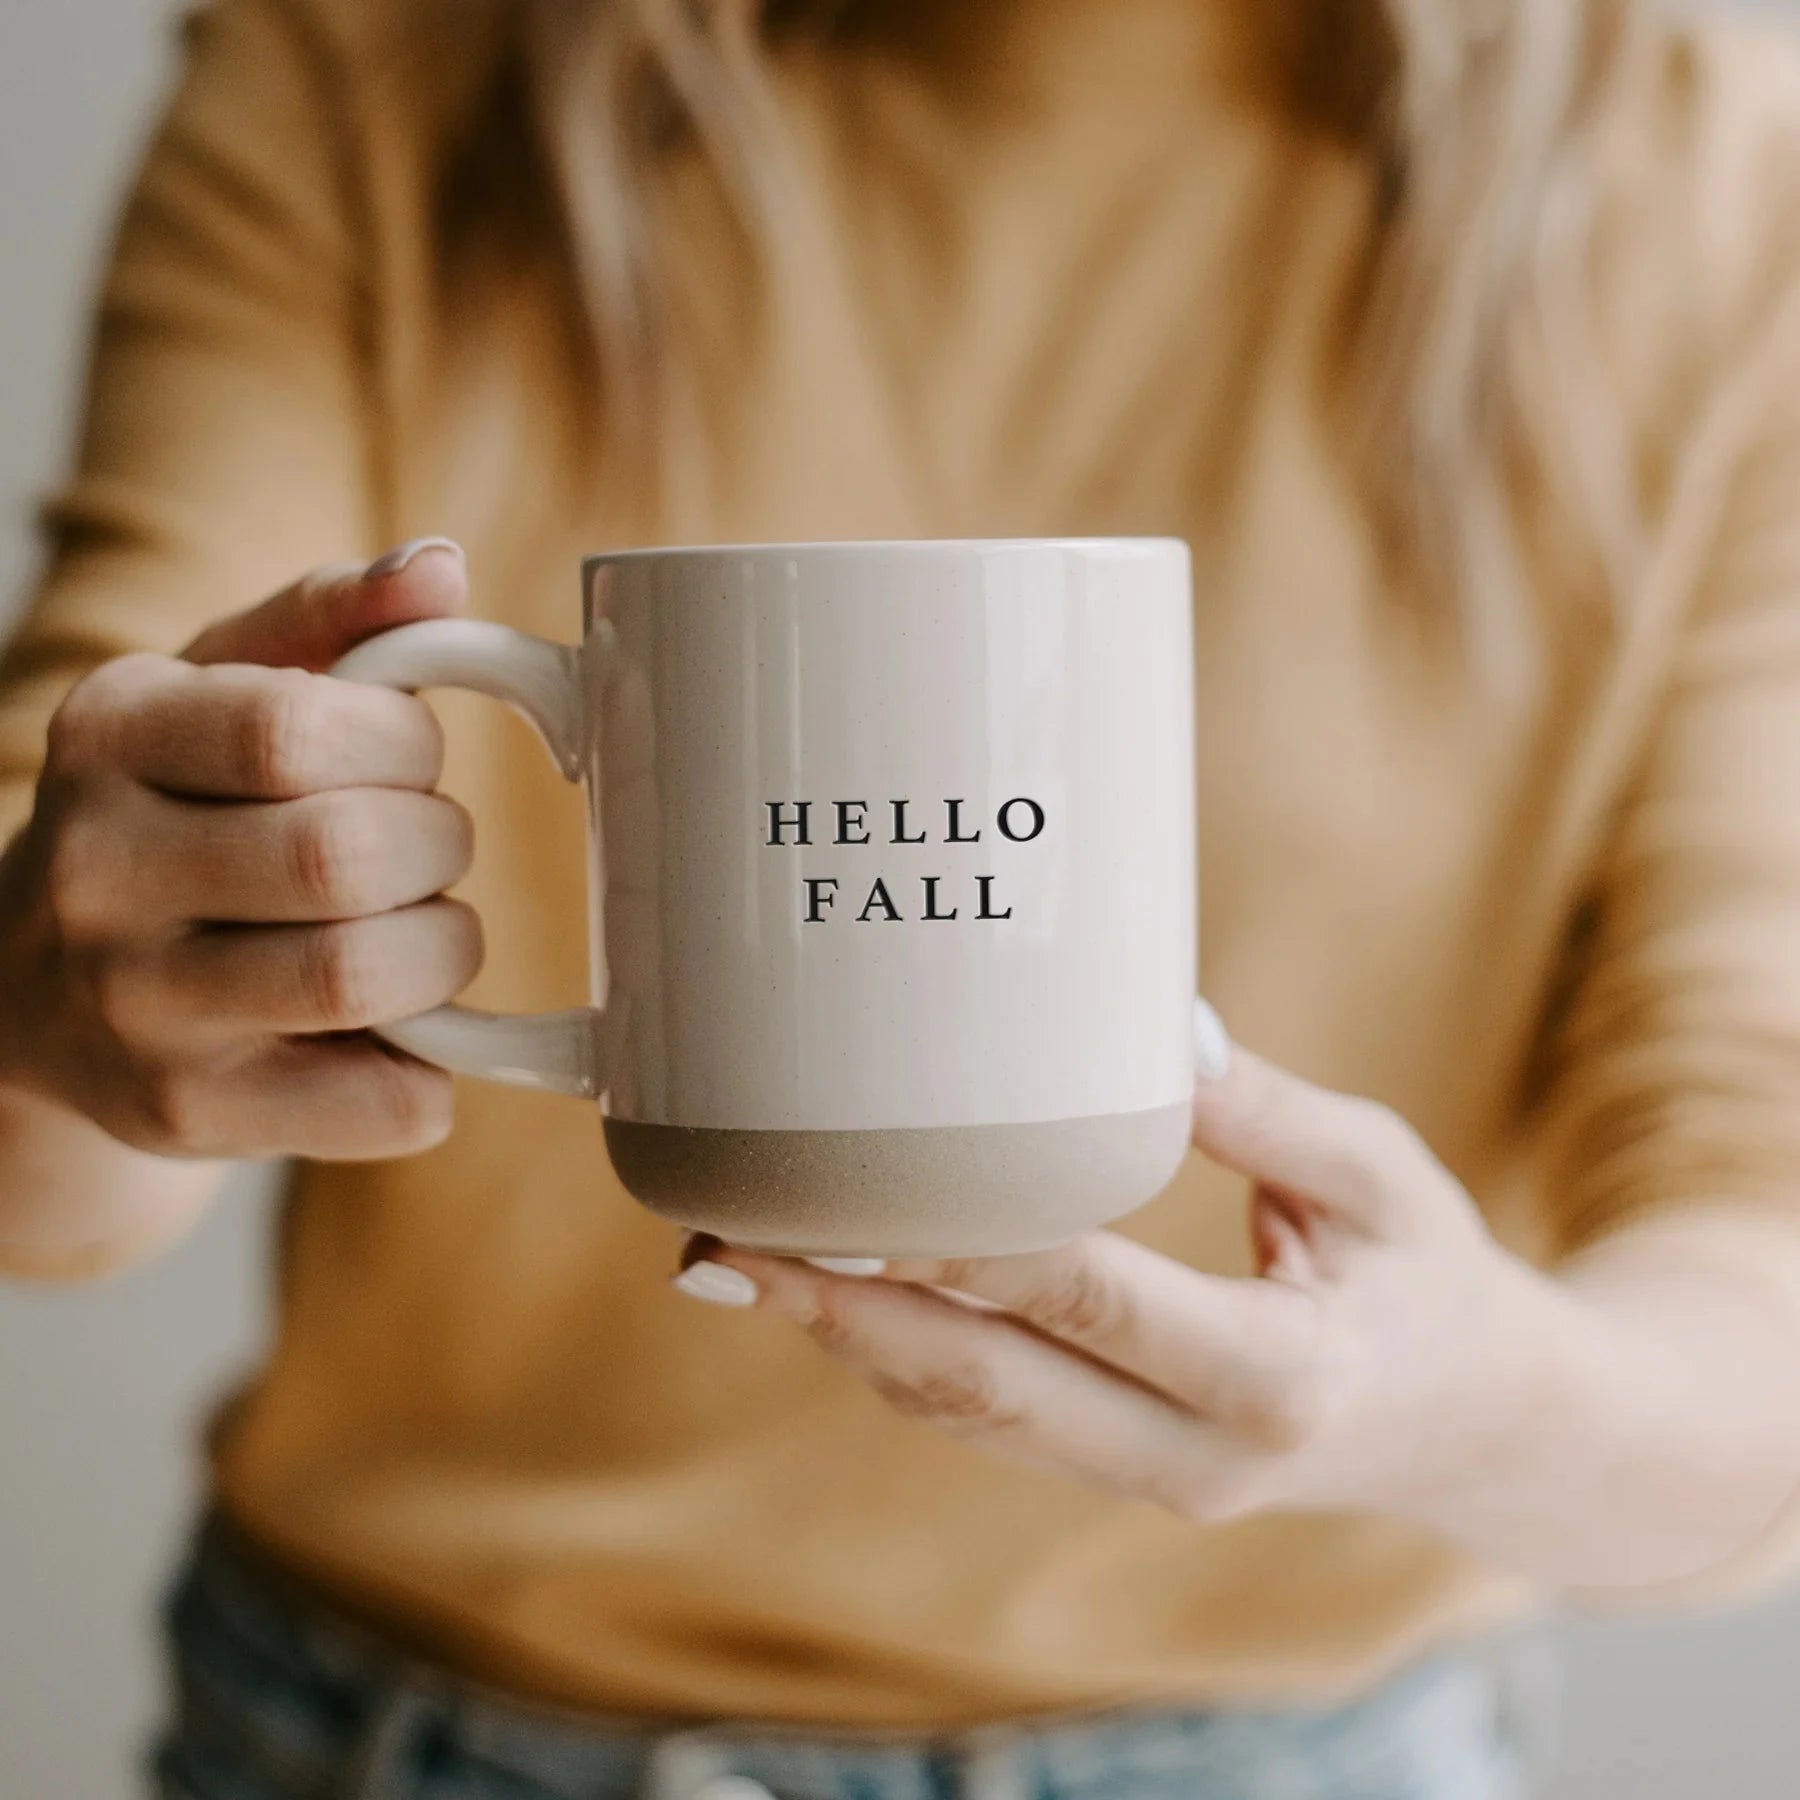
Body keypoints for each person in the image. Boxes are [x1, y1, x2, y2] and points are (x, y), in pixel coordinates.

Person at [4, 0, 1800, 1794]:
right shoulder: (372, 71)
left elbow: (1759, 1241)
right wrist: (80, 997)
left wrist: (1464, 1410)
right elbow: (44, 1156)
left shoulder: (1719, 183)